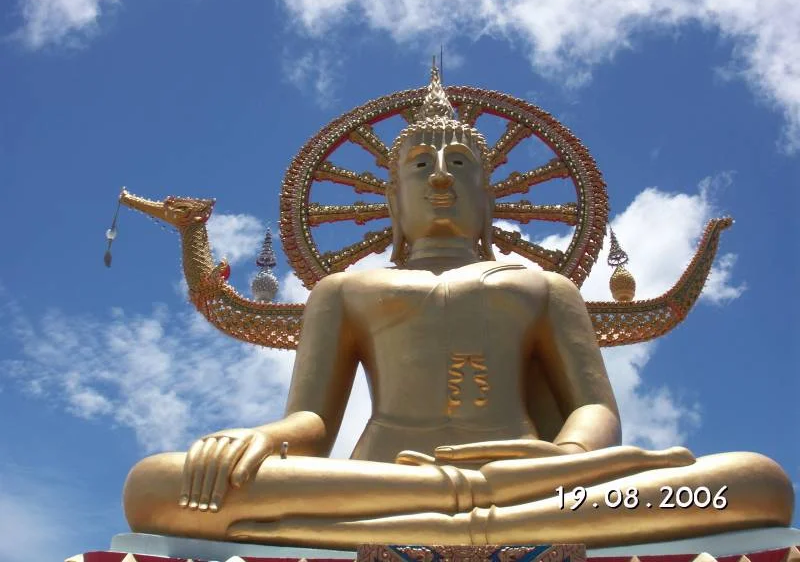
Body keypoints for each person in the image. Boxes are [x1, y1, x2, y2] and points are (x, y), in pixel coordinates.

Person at [123, 65, 793, 549]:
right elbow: (310, 423)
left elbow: (595, 411)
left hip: (540, 483)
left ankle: (462, 511)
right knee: (156, 486)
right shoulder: (347, 291)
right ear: (391, 202)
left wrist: (566, 456)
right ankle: (470, 511)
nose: (441, 174)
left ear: (489, 197)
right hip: (382, 482)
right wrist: (262, 439)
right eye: (419, 165)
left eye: (460, 165)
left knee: (752, 483)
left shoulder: (542, 288)